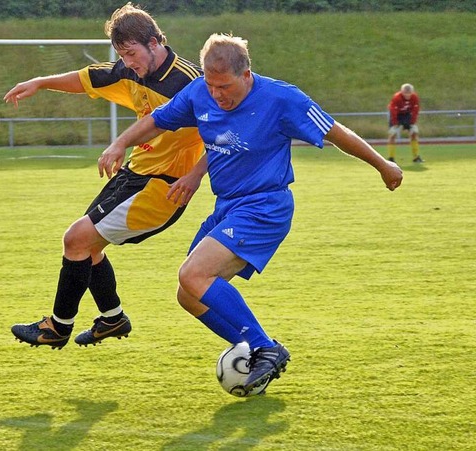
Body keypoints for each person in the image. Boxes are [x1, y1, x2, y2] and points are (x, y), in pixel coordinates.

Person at [98, 33, 403, 394]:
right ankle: (252, 347)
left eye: (224, 86)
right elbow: (160, 121)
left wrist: (383, 165)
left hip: (264, 206)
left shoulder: (281, 98)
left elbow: (335, 132)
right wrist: (121, 143)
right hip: (227, 206)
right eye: (211, 85)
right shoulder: (199, 93)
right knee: (189, 293)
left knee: (194, 274)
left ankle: (264, 347)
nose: (217, 95)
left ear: (246, 75)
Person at [4, 3, 205, 349]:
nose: (128, 63)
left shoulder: (189, 83)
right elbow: (87, 78)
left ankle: (57, 327)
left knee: (76, 240)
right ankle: (112, 319)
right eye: (122, 55)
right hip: (135, 174)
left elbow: (225, 134)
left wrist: (196, 175)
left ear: (155, 43)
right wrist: (39, 82)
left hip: (162, 187)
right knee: (89, 248)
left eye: (131, 53)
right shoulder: (129, 70)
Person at [387, 83, 423, 163]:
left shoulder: (414, 97)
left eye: (409, 93)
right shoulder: (397, 97)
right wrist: (395, 122)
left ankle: (416, 157)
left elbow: (415, 110)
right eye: (405, 93)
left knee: (414, 133)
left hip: (407, 115)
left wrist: (412, 122)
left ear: (412, 92)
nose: (407, 95)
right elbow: (393, 110)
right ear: (401, 92)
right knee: (392, 135)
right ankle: (391, 158)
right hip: (397, 115)